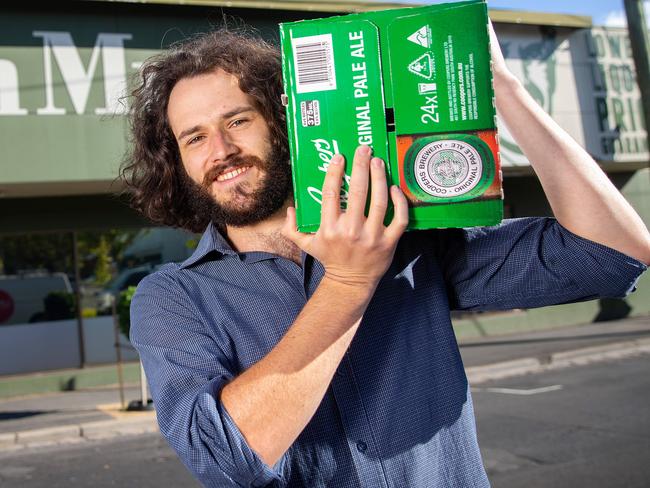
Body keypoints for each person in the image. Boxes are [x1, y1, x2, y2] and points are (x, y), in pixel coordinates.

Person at [121, 22, 650, 487]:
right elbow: (226, 459)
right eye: (194, 138)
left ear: (287, 125)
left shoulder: (405, 240)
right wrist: (349, 282)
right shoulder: (172, 299)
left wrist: (506, 91)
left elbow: (612, 252)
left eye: (237, 121)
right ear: (177, 160)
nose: (220, 151)